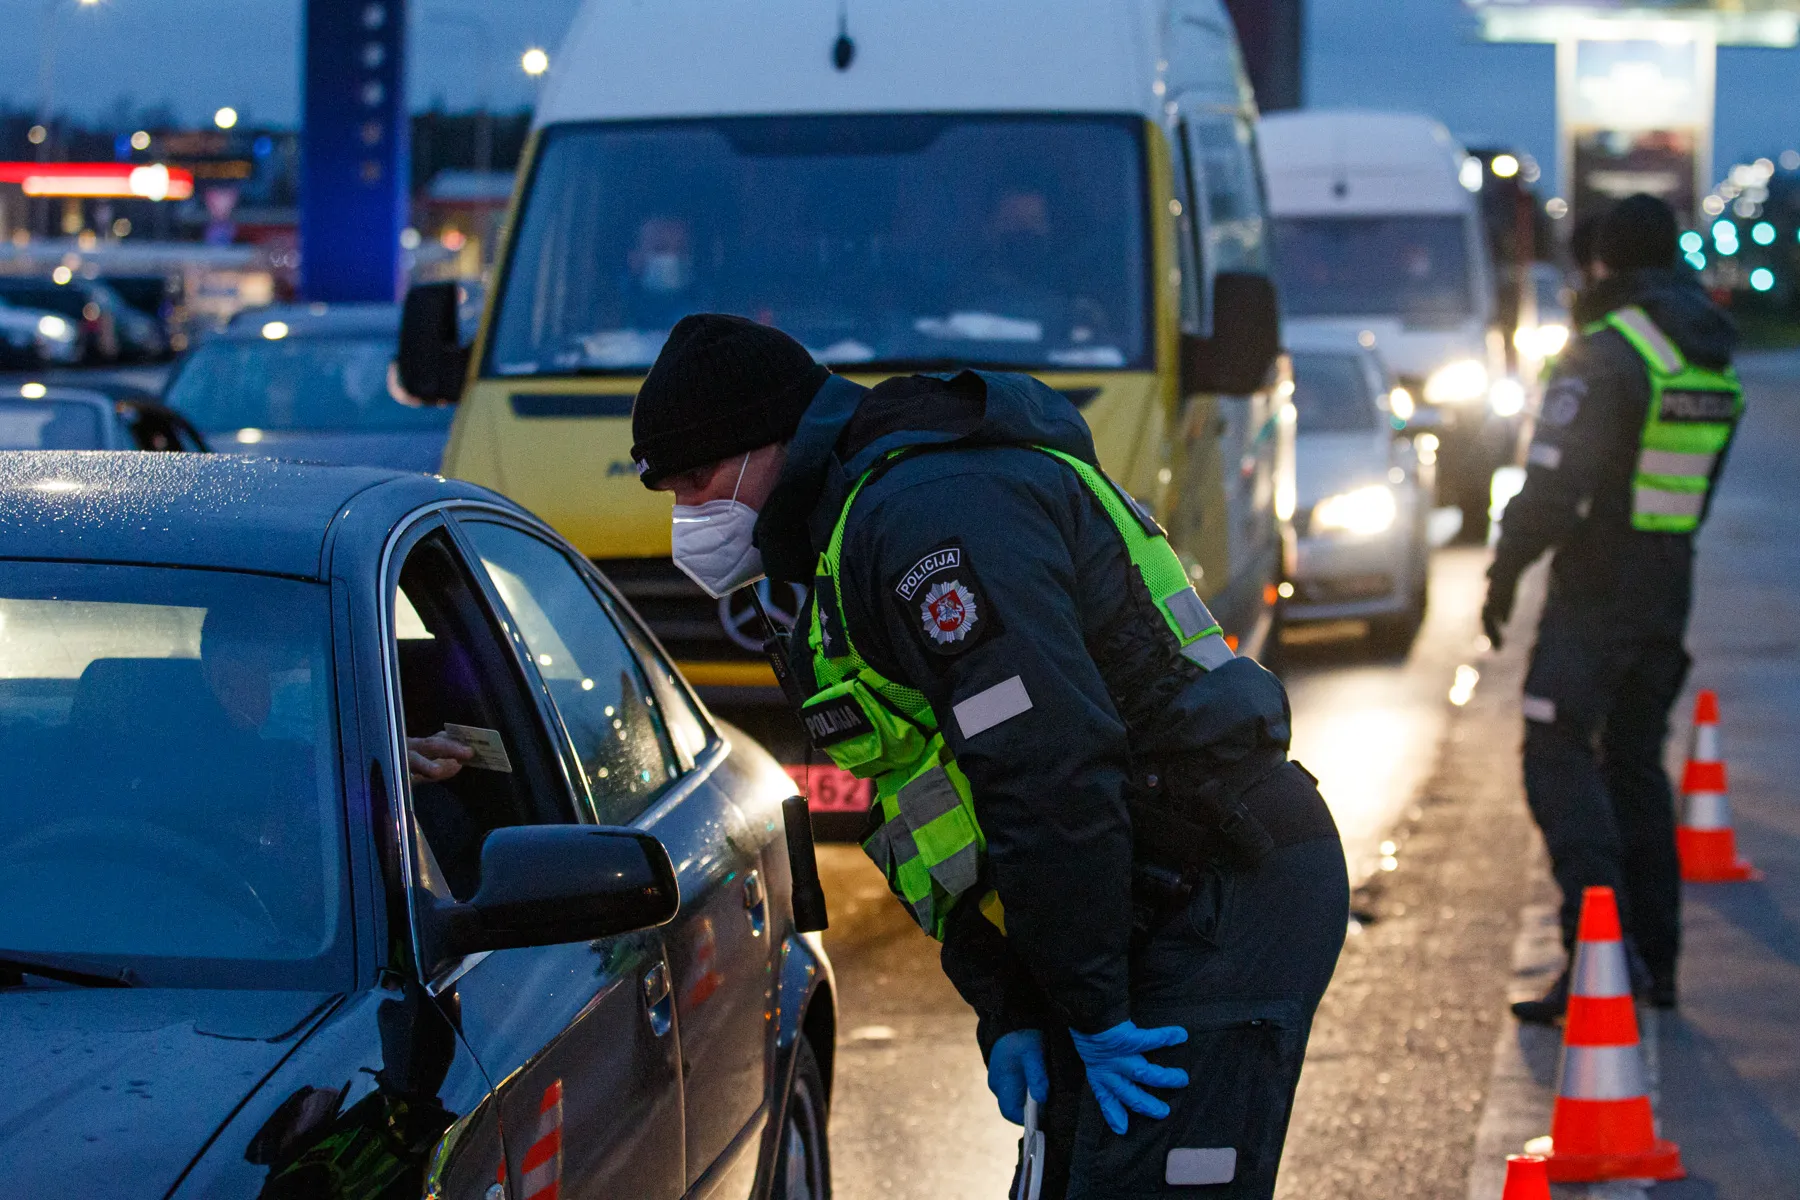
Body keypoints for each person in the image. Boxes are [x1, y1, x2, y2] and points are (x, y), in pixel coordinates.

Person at [630, 314, 1348, 1198]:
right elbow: (925, 814)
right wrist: (1008, 1003)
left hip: (1222, 887)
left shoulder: (927, 518)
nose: (690, 518)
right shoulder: (846, 540)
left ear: (769, 440)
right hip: (1134, 892)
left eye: (699, 482)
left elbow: (1046, 766)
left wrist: (1089, 1010)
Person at [1483, 195, 1743, 1022]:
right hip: (1669, 581)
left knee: (1555, 751)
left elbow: (1555, 487)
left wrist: (1506, 571)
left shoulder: (1605, 352)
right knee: (1632, 763)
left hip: (1598, 588)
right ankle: (1655, 963)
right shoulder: (1705, 348)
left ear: (1601, 264)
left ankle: (1598, 961)